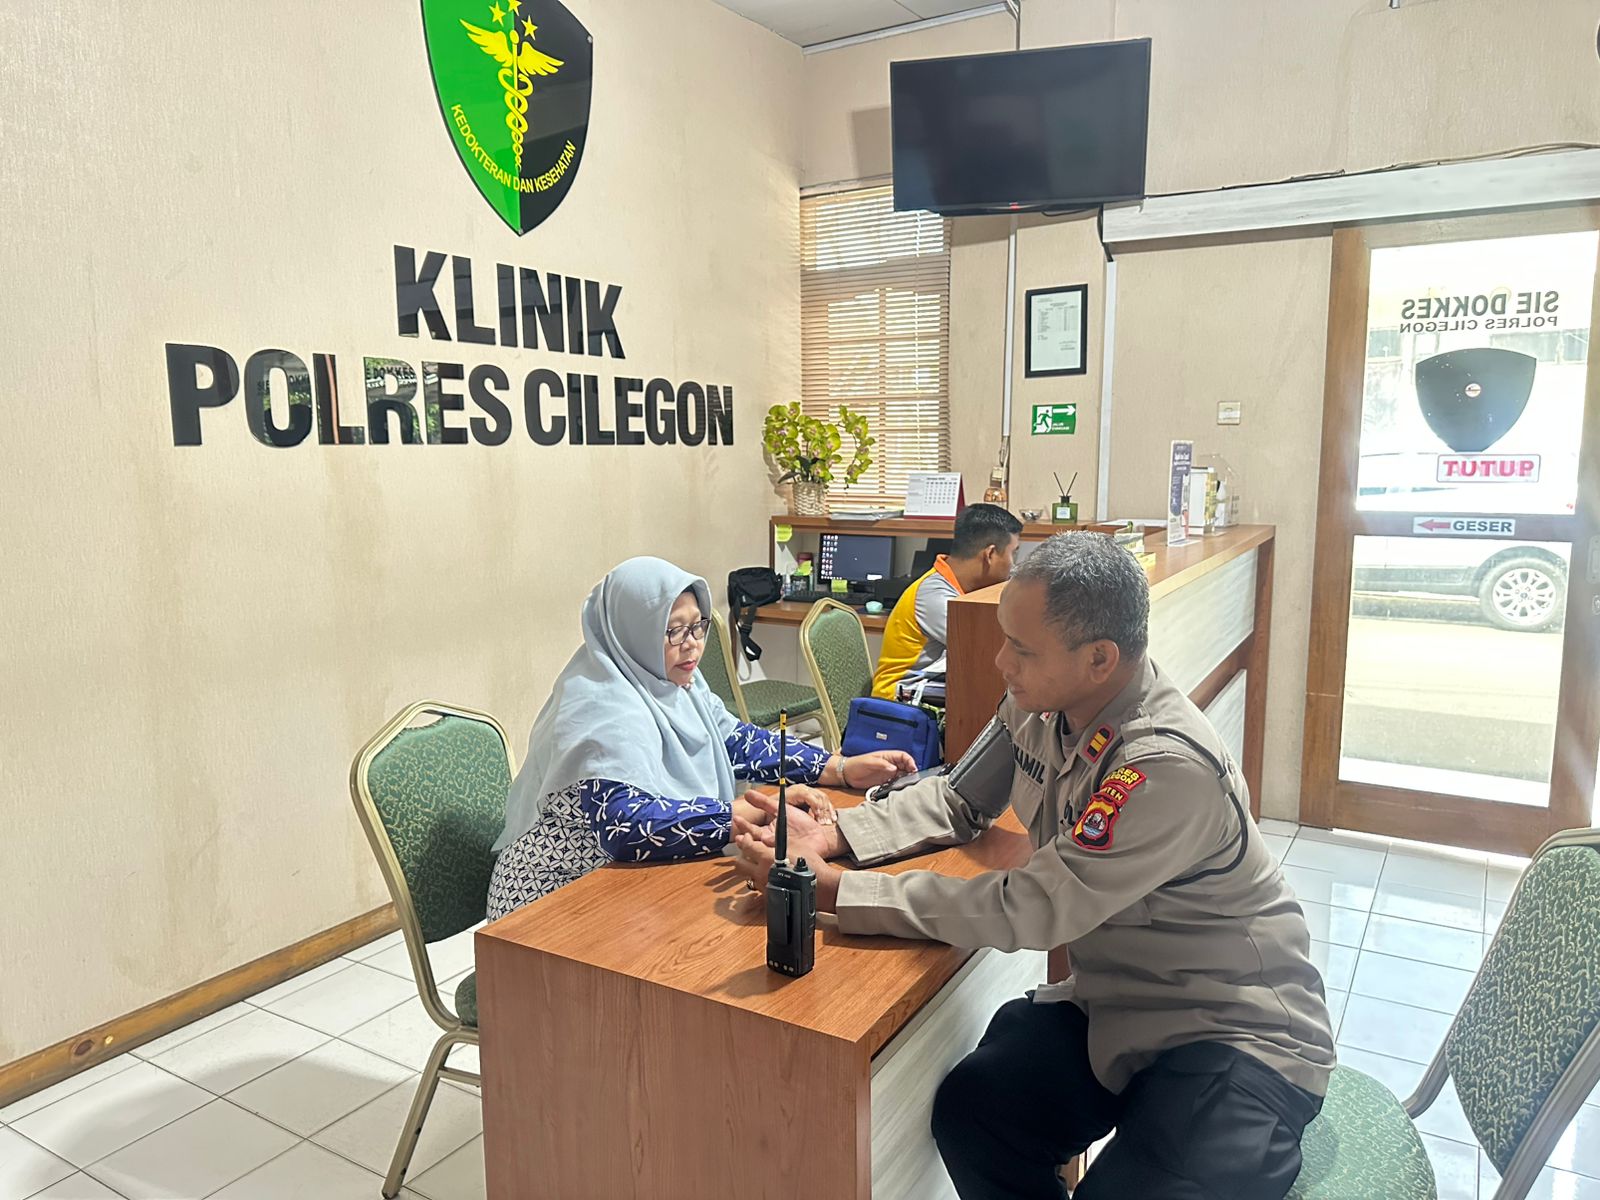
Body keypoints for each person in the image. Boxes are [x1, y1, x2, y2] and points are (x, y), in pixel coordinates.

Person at [733, 532, 1333, 1200]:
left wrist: (841, 891)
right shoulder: (1040, 704)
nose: (999, 661)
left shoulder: (1162, 765)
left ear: (1099, 658)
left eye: (1021, 648)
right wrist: (836, 834)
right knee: (975, 1112)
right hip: (1119, 1005)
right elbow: (959, 797)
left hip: (1234, 1033)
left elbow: (1033, 907)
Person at [486, 556, 915, 921]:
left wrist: (837, 768)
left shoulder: (674, 681)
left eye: (698, 627)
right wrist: (747, 811)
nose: (692, 645)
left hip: (630, 886)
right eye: (674, 631)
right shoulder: (599, 706)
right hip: (554, 901)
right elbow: (627, 825)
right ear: (633, 632)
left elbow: (735, 740)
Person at [871, 503, 1023, 701]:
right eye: (1013, 553)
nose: (1013, 565)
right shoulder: (934, 596)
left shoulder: (962, 587)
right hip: (899, 702)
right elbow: (989, 645)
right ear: (990, 554)